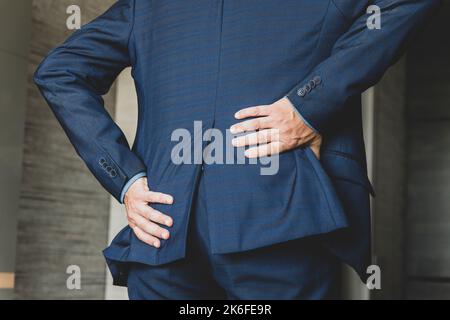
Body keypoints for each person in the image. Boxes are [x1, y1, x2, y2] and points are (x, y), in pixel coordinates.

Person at [34, 0, 439, 299]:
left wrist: (127, 179)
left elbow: (60, 71)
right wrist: (312, 103)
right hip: (273, 220)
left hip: (164, 230)